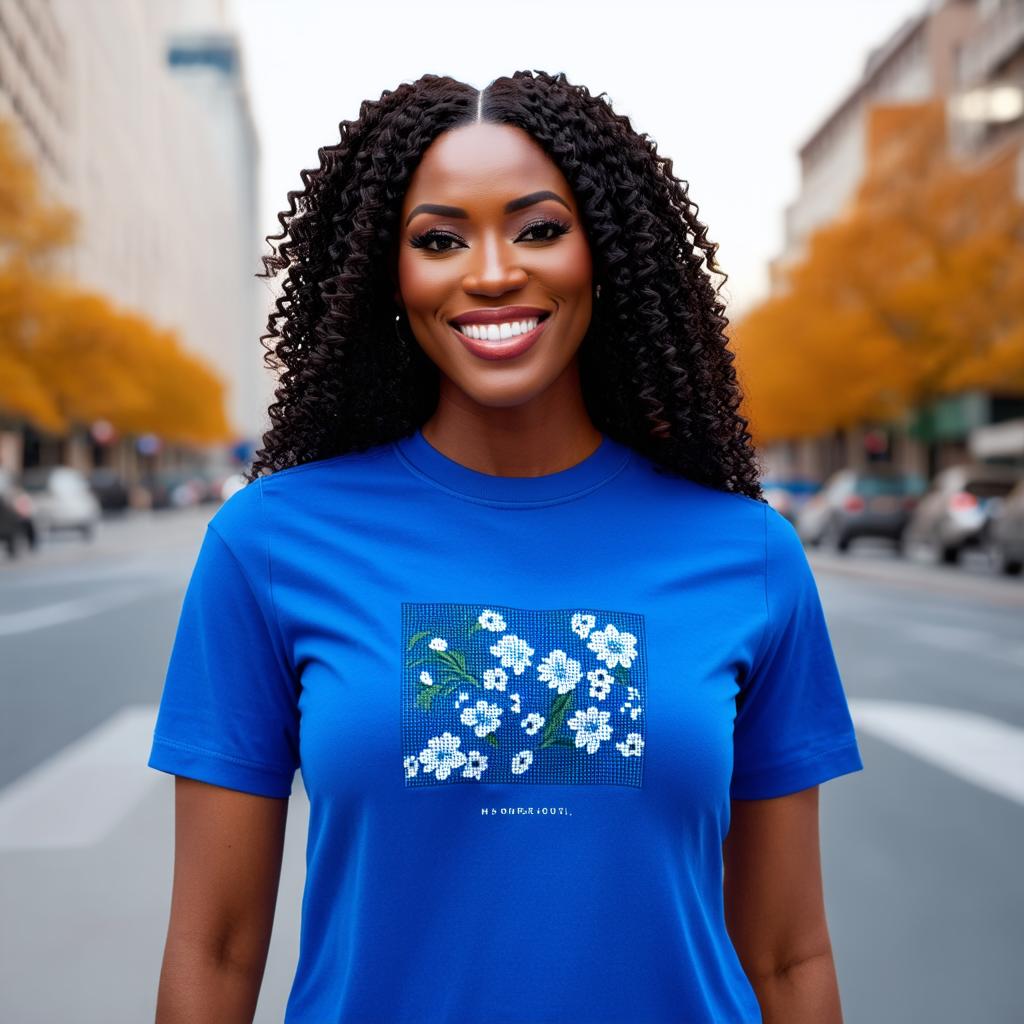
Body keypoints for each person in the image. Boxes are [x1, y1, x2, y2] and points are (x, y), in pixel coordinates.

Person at [148, 70, 863, 1024]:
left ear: (602, 253)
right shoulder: (270, 542)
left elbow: (786, 956)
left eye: (538, 228)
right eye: (439, 239)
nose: (490, 270)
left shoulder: (750, 554)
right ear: (386, 275)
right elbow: (216, 947)